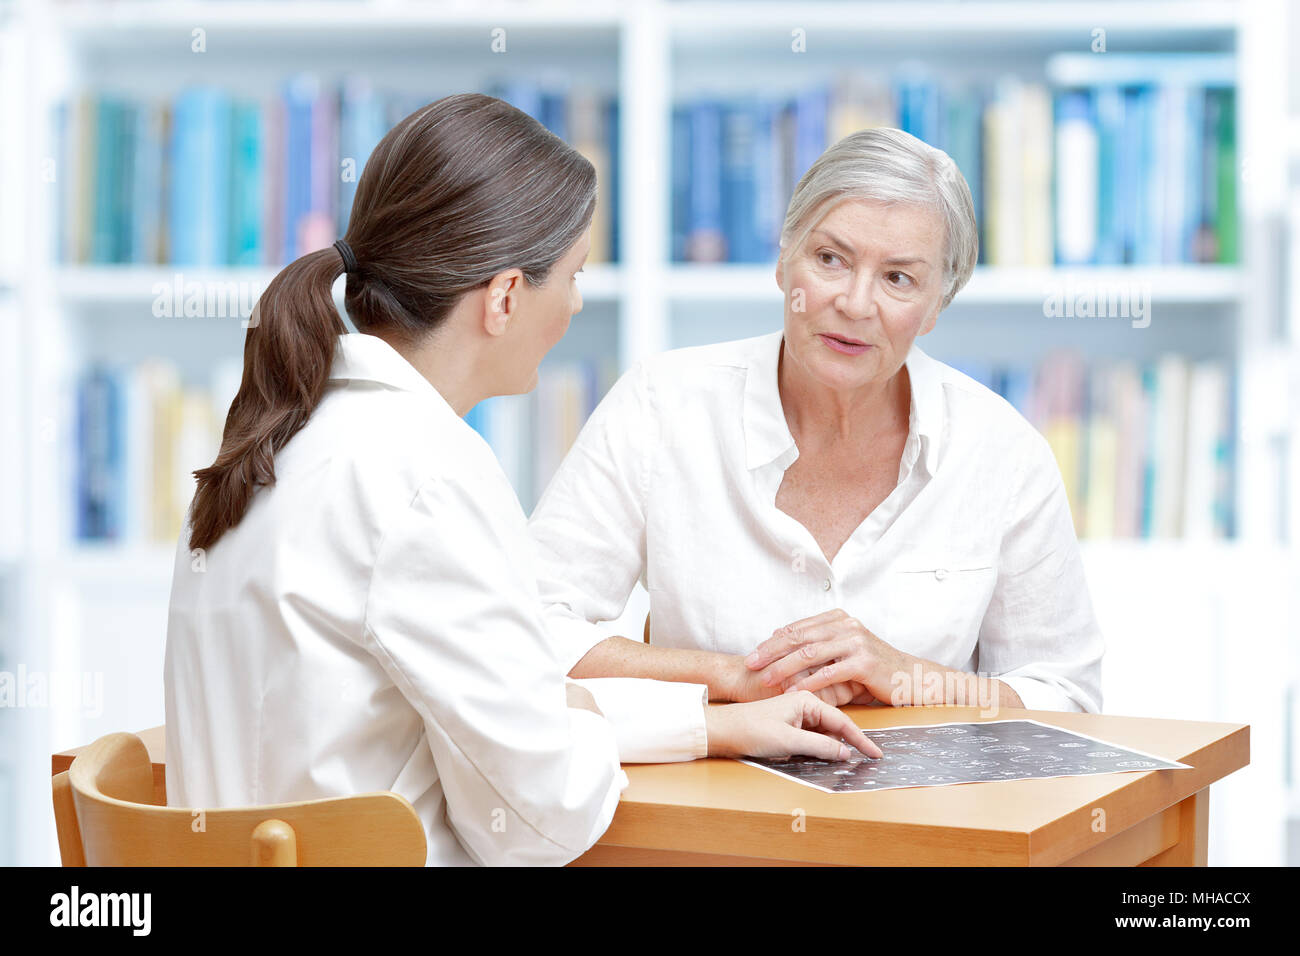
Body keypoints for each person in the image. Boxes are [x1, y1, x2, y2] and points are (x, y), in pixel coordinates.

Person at [164, 93, 880, 868]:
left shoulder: (279, 435)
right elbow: (543, 817)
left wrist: (707, 725)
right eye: (572, 276)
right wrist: (592, 729)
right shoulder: (424, 474)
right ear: (505, 297)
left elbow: (504, 713)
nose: (574, 303)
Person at [528, 127, 1104, 715]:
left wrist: (907, 678)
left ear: (937, 306)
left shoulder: (1002, 452)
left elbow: (1067, 695)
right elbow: (527, 631)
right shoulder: (662, 406)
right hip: (710, 797)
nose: (855, 304)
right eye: (830, 259)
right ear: (784, 261)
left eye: (898, 278)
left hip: (924, 805)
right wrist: (734, 678)